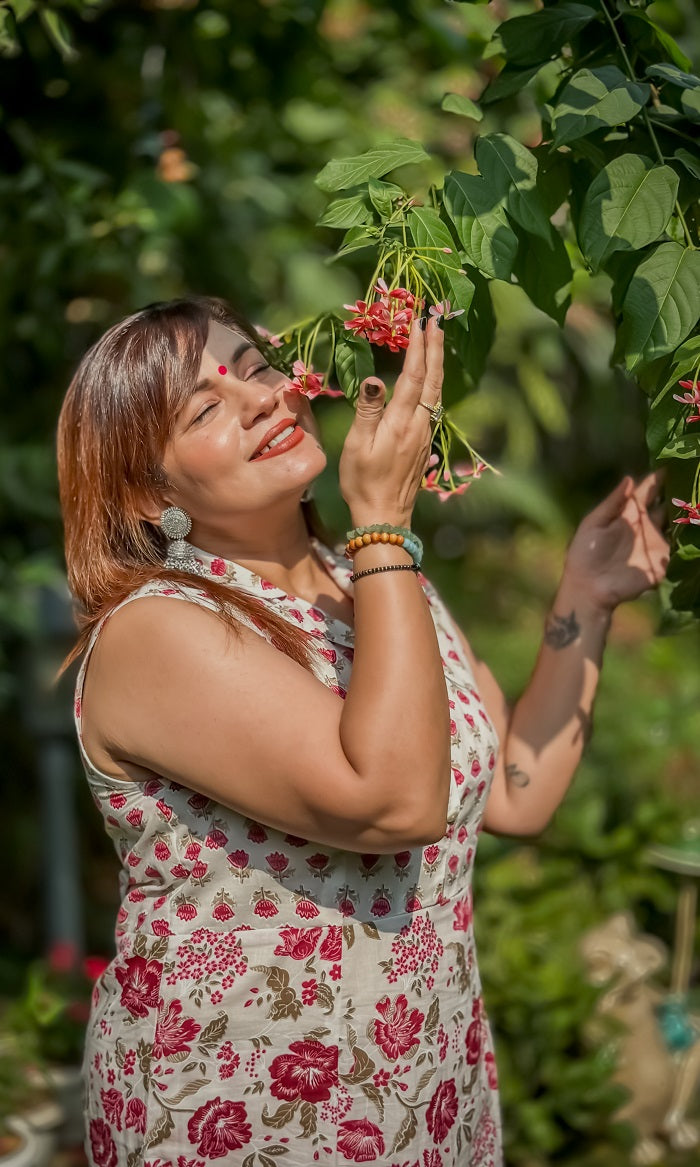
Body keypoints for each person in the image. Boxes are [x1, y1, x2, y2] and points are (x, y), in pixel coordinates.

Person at [57, 295, 668, 1167]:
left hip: (418, 1087)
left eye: (261, 369)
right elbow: (394, 804)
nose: (263, 398)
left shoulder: (368, 580)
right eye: (205, 408)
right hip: (246, 1111)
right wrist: (385, 522)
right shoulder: (157, 630)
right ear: (149, 493)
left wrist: (585, 597)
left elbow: (510, 793)